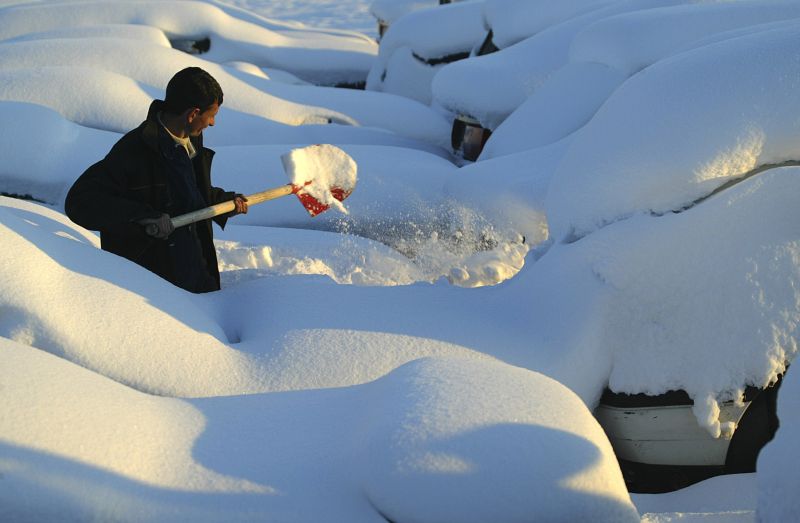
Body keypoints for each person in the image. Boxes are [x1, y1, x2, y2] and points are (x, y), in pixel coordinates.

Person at [65, 67, 248, 293]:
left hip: (196, 275)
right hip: (153, 288)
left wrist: (226, 203)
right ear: (192, 114)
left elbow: (191, 193)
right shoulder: (135, 151)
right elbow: (80, 202)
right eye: (211, 115)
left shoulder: (190, 142)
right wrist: (143, 216)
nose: (212, 123)